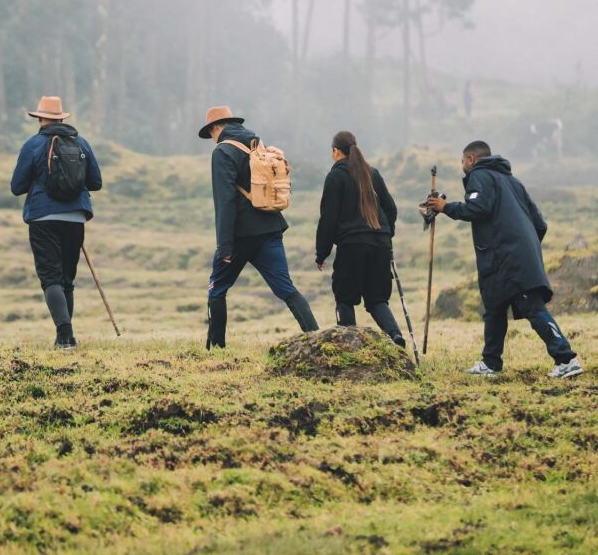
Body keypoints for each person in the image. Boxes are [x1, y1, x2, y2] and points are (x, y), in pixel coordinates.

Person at [426, 140, 583, 378]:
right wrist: (526, 246)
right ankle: (491, 363)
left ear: (471, 160)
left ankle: (566, 359)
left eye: (462, 162)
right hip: (507, 257)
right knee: (494, 308)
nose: (463, 167)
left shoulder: (480, 175)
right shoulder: (513, 181)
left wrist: (444, 207)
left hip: (507, 258)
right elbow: (539, 224)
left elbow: (477, 208)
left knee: (532, 307)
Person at [199, 106, 318, 349]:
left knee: (217, 288)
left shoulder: (223, 151)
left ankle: (217, 349)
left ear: (215, 128)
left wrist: (224, 246)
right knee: (286, 288)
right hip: (270, 226)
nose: (212, 139)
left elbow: (225, 201)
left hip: (240, 234)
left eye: (210, 133)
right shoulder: (257, 143)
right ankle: (317, 338)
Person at [11, 96, 102, 349]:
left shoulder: (32, 145)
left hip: (43, 217)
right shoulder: (81, 143)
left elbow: (16, 186)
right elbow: (96, 183)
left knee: (51, 278)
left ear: (40, 118)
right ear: (62, 118)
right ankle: (66, 337)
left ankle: (64, 336)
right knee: (66, 280)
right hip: (75, 217)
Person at [315, 131, 405, 346]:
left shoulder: (336, 177)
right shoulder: (372, 173)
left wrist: (322, 253)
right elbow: (390, 209)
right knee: (377, 299)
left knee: (345, 298)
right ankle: (395, 336)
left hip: (352, 245)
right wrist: (385, 233)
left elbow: (328, 219)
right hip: (381, 244)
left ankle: (349, 347)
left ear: (336, 151)